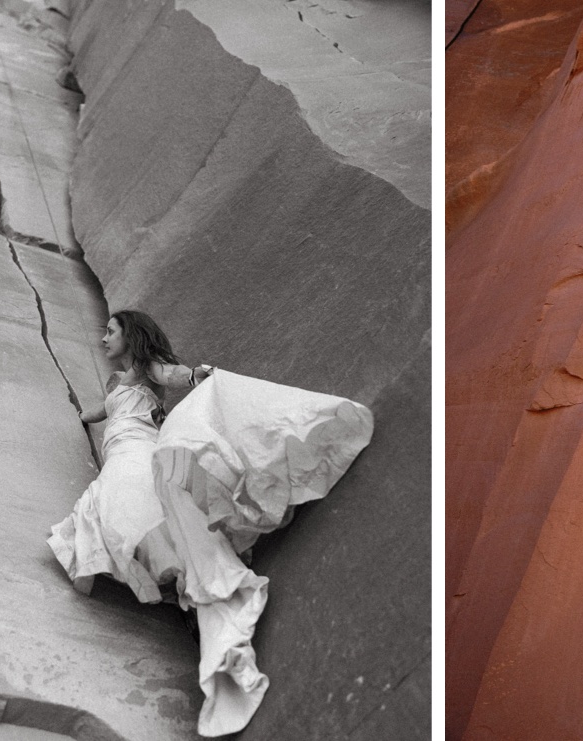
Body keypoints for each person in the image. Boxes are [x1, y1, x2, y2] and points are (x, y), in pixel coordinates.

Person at [49, 310, 372, 737]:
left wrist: (201, 376)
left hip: (137, 453)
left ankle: (193, 595)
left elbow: (178, 374)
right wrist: (74, 411)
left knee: (133, 510)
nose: (104, 337)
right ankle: (180, 587)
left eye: (111, 330)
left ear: (132, 336)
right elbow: (96, 412)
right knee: (123, 511)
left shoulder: (150, 369)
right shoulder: (118, 384)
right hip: (119, 452)